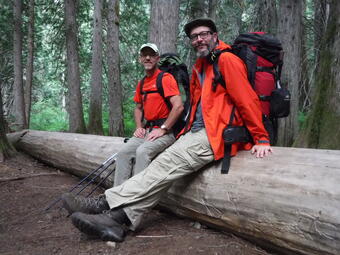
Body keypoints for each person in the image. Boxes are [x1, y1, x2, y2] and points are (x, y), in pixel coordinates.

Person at [61, 18, 273, 243]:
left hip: (217, 134)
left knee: (162, 166)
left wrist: (261, 138)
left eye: (204, 34)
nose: (199, 39)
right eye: (194, 36)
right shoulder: (201, 65)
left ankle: (103, 202)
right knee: (162, 171)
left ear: (215, 35)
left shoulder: (227, 60)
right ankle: (117, 220)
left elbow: (246, 100)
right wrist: (183, 133)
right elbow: (196, 108)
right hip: (196, 133)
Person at [115, 43, 184, 187]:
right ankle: (118, 195)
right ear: (140, 59)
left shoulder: (165, 78)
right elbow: (138, 108)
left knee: (142, 152)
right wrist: (139, 126)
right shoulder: (142, 84)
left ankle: (135, 197)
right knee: (123, 153)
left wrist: (164, 128)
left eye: (151, 55)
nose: (147, 58)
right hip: (148, 130)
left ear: (157, 58)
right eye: (144, 55)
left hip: (167, 132)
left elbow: (178, 107)